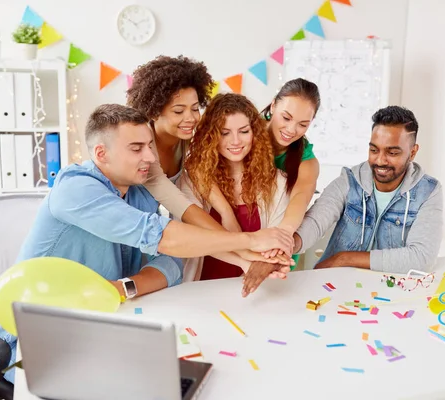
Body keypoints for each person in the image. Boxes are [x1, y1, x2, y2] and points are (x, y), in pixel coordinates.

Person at [0, 104, 294, 382]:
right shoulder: (75, 190)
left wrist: (126, 287)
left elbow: (172, 260)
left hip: (104, 328)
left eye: (149, 146)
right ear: (101, 154)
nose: (150, 157)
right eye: (136, 148)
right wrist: (251, 240)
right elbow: (163, 237)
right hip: (36, 342)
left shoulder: (138, 192)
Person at [126, 55, 293, 271]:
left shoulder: (183, 137)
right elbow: (183, 207)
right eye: (179, 111)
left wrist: (226, 211)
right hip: (128, 225)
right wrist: (243, 248)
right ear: (154, 110)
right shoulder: (144, 149)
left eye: (195, 108)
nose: (191, 118)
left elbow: (196, 164)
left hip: (150, 229)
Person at [291, 105, 443, 273]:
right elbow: (315, 220)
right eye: (373, 150)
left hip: (388, 290)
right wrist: (289, 245)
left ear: (412, 152)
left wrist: (344, 258)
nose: (380, 160)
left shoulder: (428, 192)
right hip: (338, 284)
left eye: (392, 153)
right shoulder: (350, 180)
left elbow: (421, 258)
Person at [179, 93, 290, 284]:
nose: (236, 141)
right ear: (211, 136)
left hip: (253, 288)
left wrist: (267, 262)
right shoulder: (191, 181)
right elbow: (194, 240)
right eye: (225, 133)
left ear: (255, 133)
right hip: (199, 290)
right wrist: (244, 259)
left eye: (244, 131)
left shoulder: (278, 182)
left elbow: (275, 243)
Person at [209, 78, 321, 267]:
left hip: (272, 247)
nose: (291, 130)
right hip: (228, 238)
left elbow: (299, 202)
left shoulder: (307, 162)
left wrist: (279, 241)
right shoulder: (243, 132)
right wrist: (227, 213)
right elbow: (201, 168)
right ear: (274, 105)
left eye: (303, 124)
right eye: (286, 118)